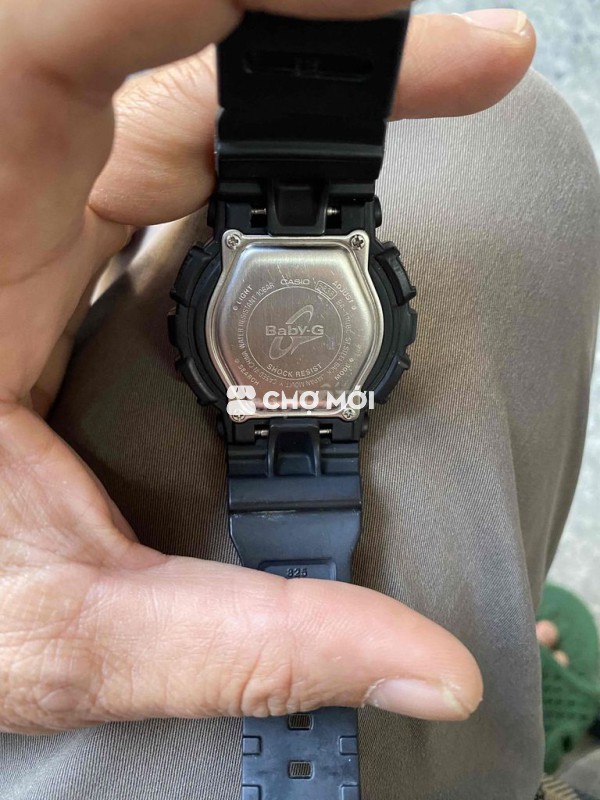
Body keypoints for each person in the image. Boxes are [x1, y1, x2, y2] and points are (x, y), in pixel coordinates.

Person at [0, 1, 598, 798]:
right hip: (298, 389)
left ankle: (506, 657)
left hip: (267, 386)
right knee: (508, 131)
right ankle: (511, 656)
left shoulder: (231, 314)